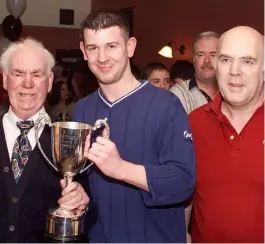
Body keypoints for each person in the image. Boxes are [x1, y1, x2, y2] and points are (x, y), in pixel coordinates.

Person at [72, 10, 195, 243]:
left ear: (130, 47)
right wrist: (79, 195)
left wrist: (121, 169)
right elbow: (84, 179)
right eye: (93, 48)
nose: (102, 57)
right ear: (83, 52)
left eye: (111, 46)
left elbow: (183, 181)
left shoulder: (166, 105)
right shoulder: (82, 110)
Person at [0, 37, 91, 242]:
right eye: (18, 73)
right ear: (5, 78)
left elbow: (92, 213)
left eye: (36, 74)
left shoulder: (67, 142)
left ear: (49, 81)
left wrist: (83, 204)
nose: (28, 83)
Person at [188, 26, 264, 242]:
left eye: (248, 61)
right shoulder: (194, 122)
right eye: (225, 59)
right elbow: (186, 196)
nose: (234, 70)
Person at [170, 31, 219, 113]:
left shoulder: (233, 91)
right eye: (200, 55)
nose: (207, 60)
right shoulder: (178, 94)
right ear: (194, 59)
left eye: (213, 55)